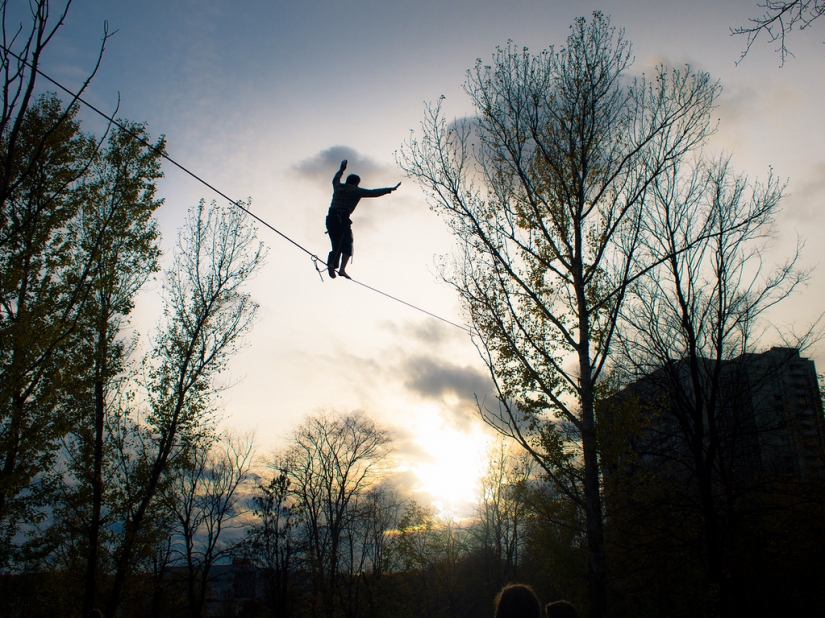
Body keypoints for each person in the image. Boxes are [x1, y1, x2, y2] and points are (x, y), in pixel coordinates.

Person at [325, 159, 400, 279]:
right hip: (341, 219)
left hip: (330, 219)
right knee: (347, 244)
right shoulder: (355, 191)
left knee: (336, 244)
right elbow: (374, 193)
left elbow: (335, 178)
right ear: (356, 183)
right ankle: (340, 268)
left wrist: (341, 170)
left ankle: (334, 266)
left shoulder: (338, 186)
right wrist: (389, 189)